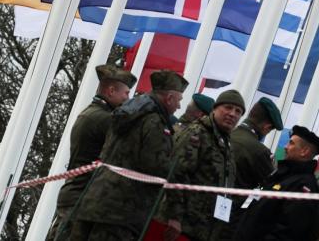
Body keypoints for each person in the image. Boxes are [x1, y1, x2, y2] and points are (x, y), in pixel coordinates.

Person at [68, 69, 187, 240]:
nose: (179, 106)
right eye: (179, 100)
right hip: (122, 213)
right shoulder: (154, 122)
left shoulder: (124, 114)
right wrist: (176, 210)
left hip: (93, 202)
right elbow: (156, 166)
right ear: (168, 98)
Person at [49, 64, 137, 239]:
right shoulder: (103, 119)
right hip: (82, 197)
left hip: (78, 194)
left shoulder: (93, 113)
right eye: (126, 93)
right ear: (111, 91)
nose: (128, 98)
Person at [159, 89, 245, 241]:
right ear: (215, 109)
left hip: (203, 229)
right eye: (228, 108)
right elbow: (177, 174)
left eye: (238, 111)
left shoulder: (226, 142)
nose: (232, 114)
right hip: (182, 226)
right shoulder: (197, 133)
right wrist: (175, 217)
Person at [233, 125, 319, 240]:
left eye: (291, 143)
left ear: (304, 151)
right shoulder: (281, 176)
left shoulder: (302, 186)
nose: (285, 147)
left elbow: (287, 232)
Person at [230, 97, 283, 190]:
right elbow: (273, 186)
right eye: (269, 130)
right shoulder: (260, 152)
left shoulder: (226, 134)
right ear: (267, 127)